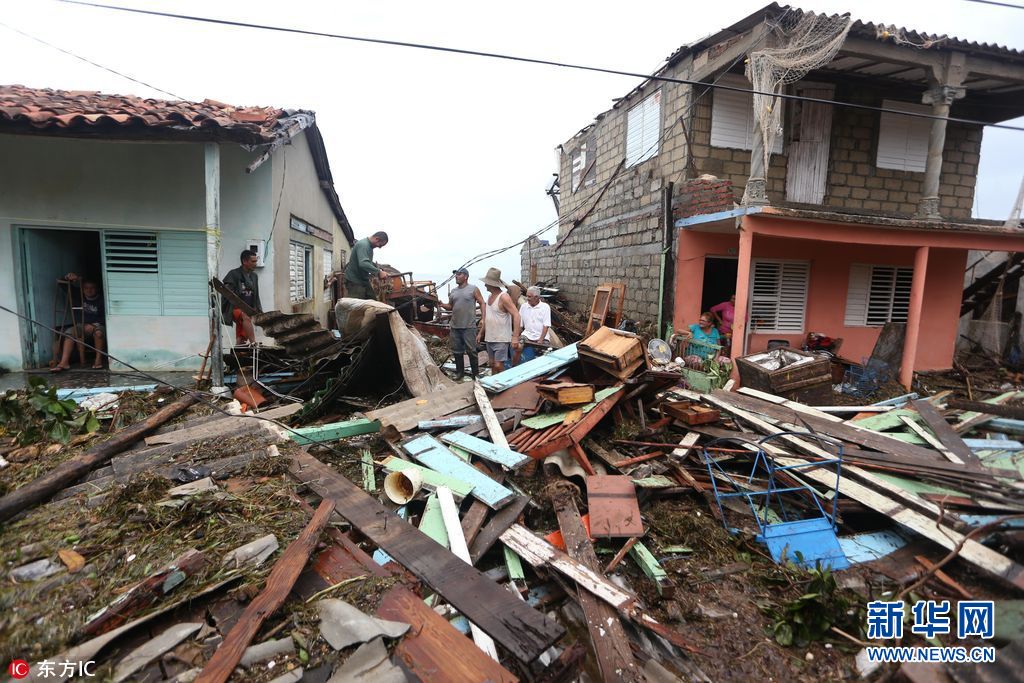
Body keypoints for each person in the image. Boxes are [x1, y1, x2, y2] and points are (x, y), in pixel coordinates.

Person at [439, 267, 486, 379]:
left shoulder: (473, 289)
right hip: (455, 326)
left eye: (459, 274)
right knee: (457, 351)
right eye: (456, 274)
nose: (456, 276)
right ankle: (460, 373)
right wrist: (442, 304)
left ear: (466, 277)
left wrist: (483, 318)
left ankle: (475, 375)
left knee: (472, 351)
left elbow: (482, 303)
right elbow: (450, 306)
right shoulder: (454, 291)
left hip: (469, 326)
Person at [52, 273, 105, 371]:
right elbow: (62, 284)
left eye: (92, 288)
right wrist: (68, 277)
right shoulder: (78, 294)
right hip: (81, 325)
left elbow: (107, 316)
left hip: (97, 325)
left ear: (97, 289)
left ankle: (98, 360)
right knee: (69, 333)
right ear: (82, 288)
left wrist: (93, 325)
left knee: (99, 333)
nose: (89, 290)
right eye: (86, 288)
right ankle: (64, 363)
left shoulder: (102, 299)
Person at [477, 267, 521, 375]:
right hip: (490, 337)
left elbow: (516, 315)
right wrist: (481, 333)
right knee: (492, 364)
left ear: (492, 284)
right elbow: (487, 317)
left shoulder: (504, 297)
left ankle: (503, 383)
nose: (485, 285)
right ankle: (494, 382)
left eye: (486, 283)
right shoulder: (489, 297)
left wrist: (515, 337)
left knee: (498, 365)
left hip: (501, 338)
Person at [222, 250, 263, 345]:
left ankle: (239, 351)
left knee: (241, 339)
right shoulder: (233, 274)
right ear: (244, 261)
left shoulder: (254, 276)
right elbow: (226, 293)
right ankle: (254, 344)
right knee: (245, 316)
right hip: (234, 308)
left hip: (248, 309)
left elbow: (256, 295)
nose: (255, 264)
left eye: (256, 261)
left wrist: (258, 309)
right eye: (253, 261)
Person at [344, 231, 389, 300]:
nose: (379, 247)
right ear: (377, 239)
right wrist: (379, 272)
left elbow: (368, 262)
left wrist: (379, 269)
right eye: (380, 245)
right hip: (355, 281)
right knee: (357, 304)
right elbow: (363, 263)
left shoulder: (369, 247)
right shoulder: (364, 245)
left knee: (372, 301)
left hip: (363, 280)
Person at [515, 286, 551, 365]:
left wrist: (540, 340)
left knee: (545, 354)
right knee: (517, 347)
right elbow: (520, 325)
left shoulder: (545, 307)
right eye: (527, 296)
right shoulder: (524, 307)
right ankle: (514, 366)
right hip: (527, 335)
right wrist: (516, 336)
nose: (527, 298)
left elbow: (546, 326)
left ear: (536, 297)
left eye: (529, 296)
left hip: (542, 336)